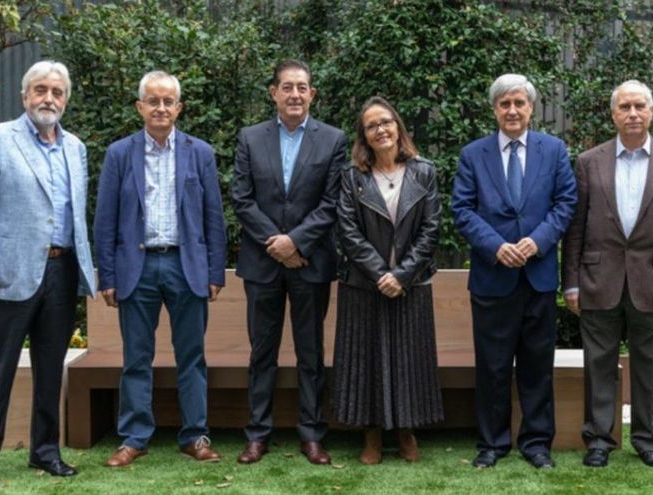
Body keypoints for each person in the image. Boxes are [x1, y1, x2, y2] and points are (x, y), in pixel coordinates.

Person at [0, 60, 96, 488]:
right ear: (24, 96)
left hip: (62, 271)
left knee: (51, 368)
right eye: (40, 90)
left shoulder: (75, 147)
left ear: (67, 99)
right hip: (5, 274)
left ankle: (45, 452)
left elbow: (76, 214)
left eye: (57, 92)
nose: (48, 99)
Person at [93, 71, 227, 467]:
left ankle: (195, 436)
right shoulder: (120, 154)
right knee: (136, 357)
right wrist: (108, 276)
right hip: (138, 266)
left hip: (187, 266)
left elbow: (213, 216)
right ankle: (134, 437)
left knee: (192, 356)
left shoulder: (199, 152)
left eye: (169, 101)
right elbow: (105, 220)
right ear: (140, 107)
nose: (161, 108)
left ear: (179, 108)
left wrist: (214, 271)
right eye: (153, 101)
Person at [562, 80, 653, 469]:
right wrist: (570, 282)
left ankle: (648, 440)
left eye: (640, 106)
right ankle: (599, 440)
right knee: (597, 362)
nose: (633, 113)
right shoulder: (588, 162)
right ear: (613, 114)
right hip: (597, 280)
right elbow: (575, 229)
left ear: (652, 112)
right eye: (625, 107)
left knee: (650, 364)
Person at [451, 74, 577, 469]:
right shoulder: (474, 154)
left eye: (519, 103)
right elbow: (462, 210)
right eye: (504, 104)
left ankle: (537, 443)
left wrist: (538, 241)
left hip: (537, 276)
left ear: (531, 108)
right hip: (493, 277)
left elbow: (565, 202)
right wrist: (496, 247)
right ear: (494, 109)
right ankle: (492, 444)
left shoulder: (553, 150)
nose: (512, 110)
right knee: (492, 366)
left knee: (538, 364)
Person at [231, 59, 347, 465]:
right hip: (262, 265)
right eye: (287, 87)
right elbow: (242, 199)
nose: (294, 94)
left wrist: (296, 243)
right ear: (273, 93)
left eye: (302, 87)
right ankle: (257, 435)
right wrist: (276, 244)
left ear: (312, 94)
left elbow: (332, 203)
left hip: (310, 263)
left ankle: (312, 435)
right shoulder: (250, 137)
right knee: (262, 353)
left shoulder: (333, 140)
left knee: (310, 353)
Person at [333, 96, 444, 465]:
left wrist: (401, 275)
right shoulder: (353, 177)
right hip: (363, 285)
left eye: (386, 122)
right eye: (371, 126)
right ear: (363, 136)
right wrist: (380, 274)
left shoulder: (424, 172)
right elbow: (347, 232)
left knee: (409, 358)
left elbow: (431, 231)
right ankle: (372, 436)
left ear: (398, 127)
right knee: (366, 361)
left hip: (411, 284)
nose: (381, 130)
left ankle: (408, 433)